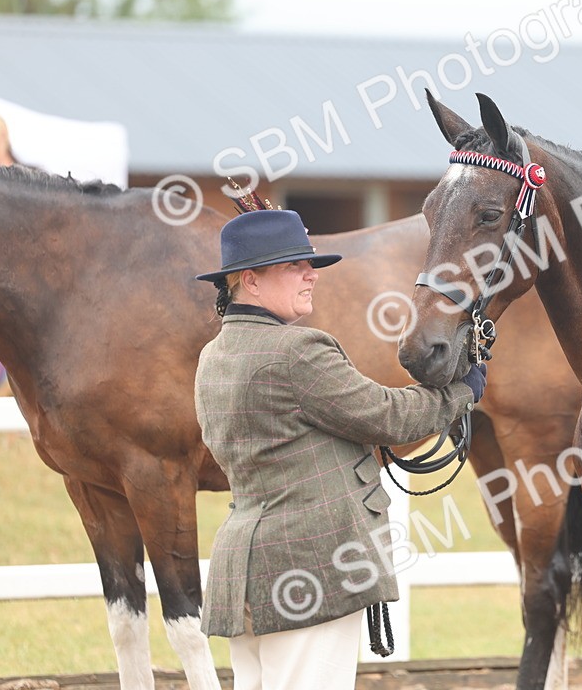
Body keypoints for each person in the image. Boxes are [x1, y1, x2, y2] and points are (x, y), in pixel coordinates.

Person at [193, 208, 485, 690]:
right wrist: (462, 392)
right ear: (251, 281)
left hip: (243, 568)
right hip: (310, 566)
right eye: (294, 265)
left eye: (308, 264)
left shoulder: (213, 357)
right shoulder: (297, 351)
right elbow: (388, 416)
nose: (311, 274)